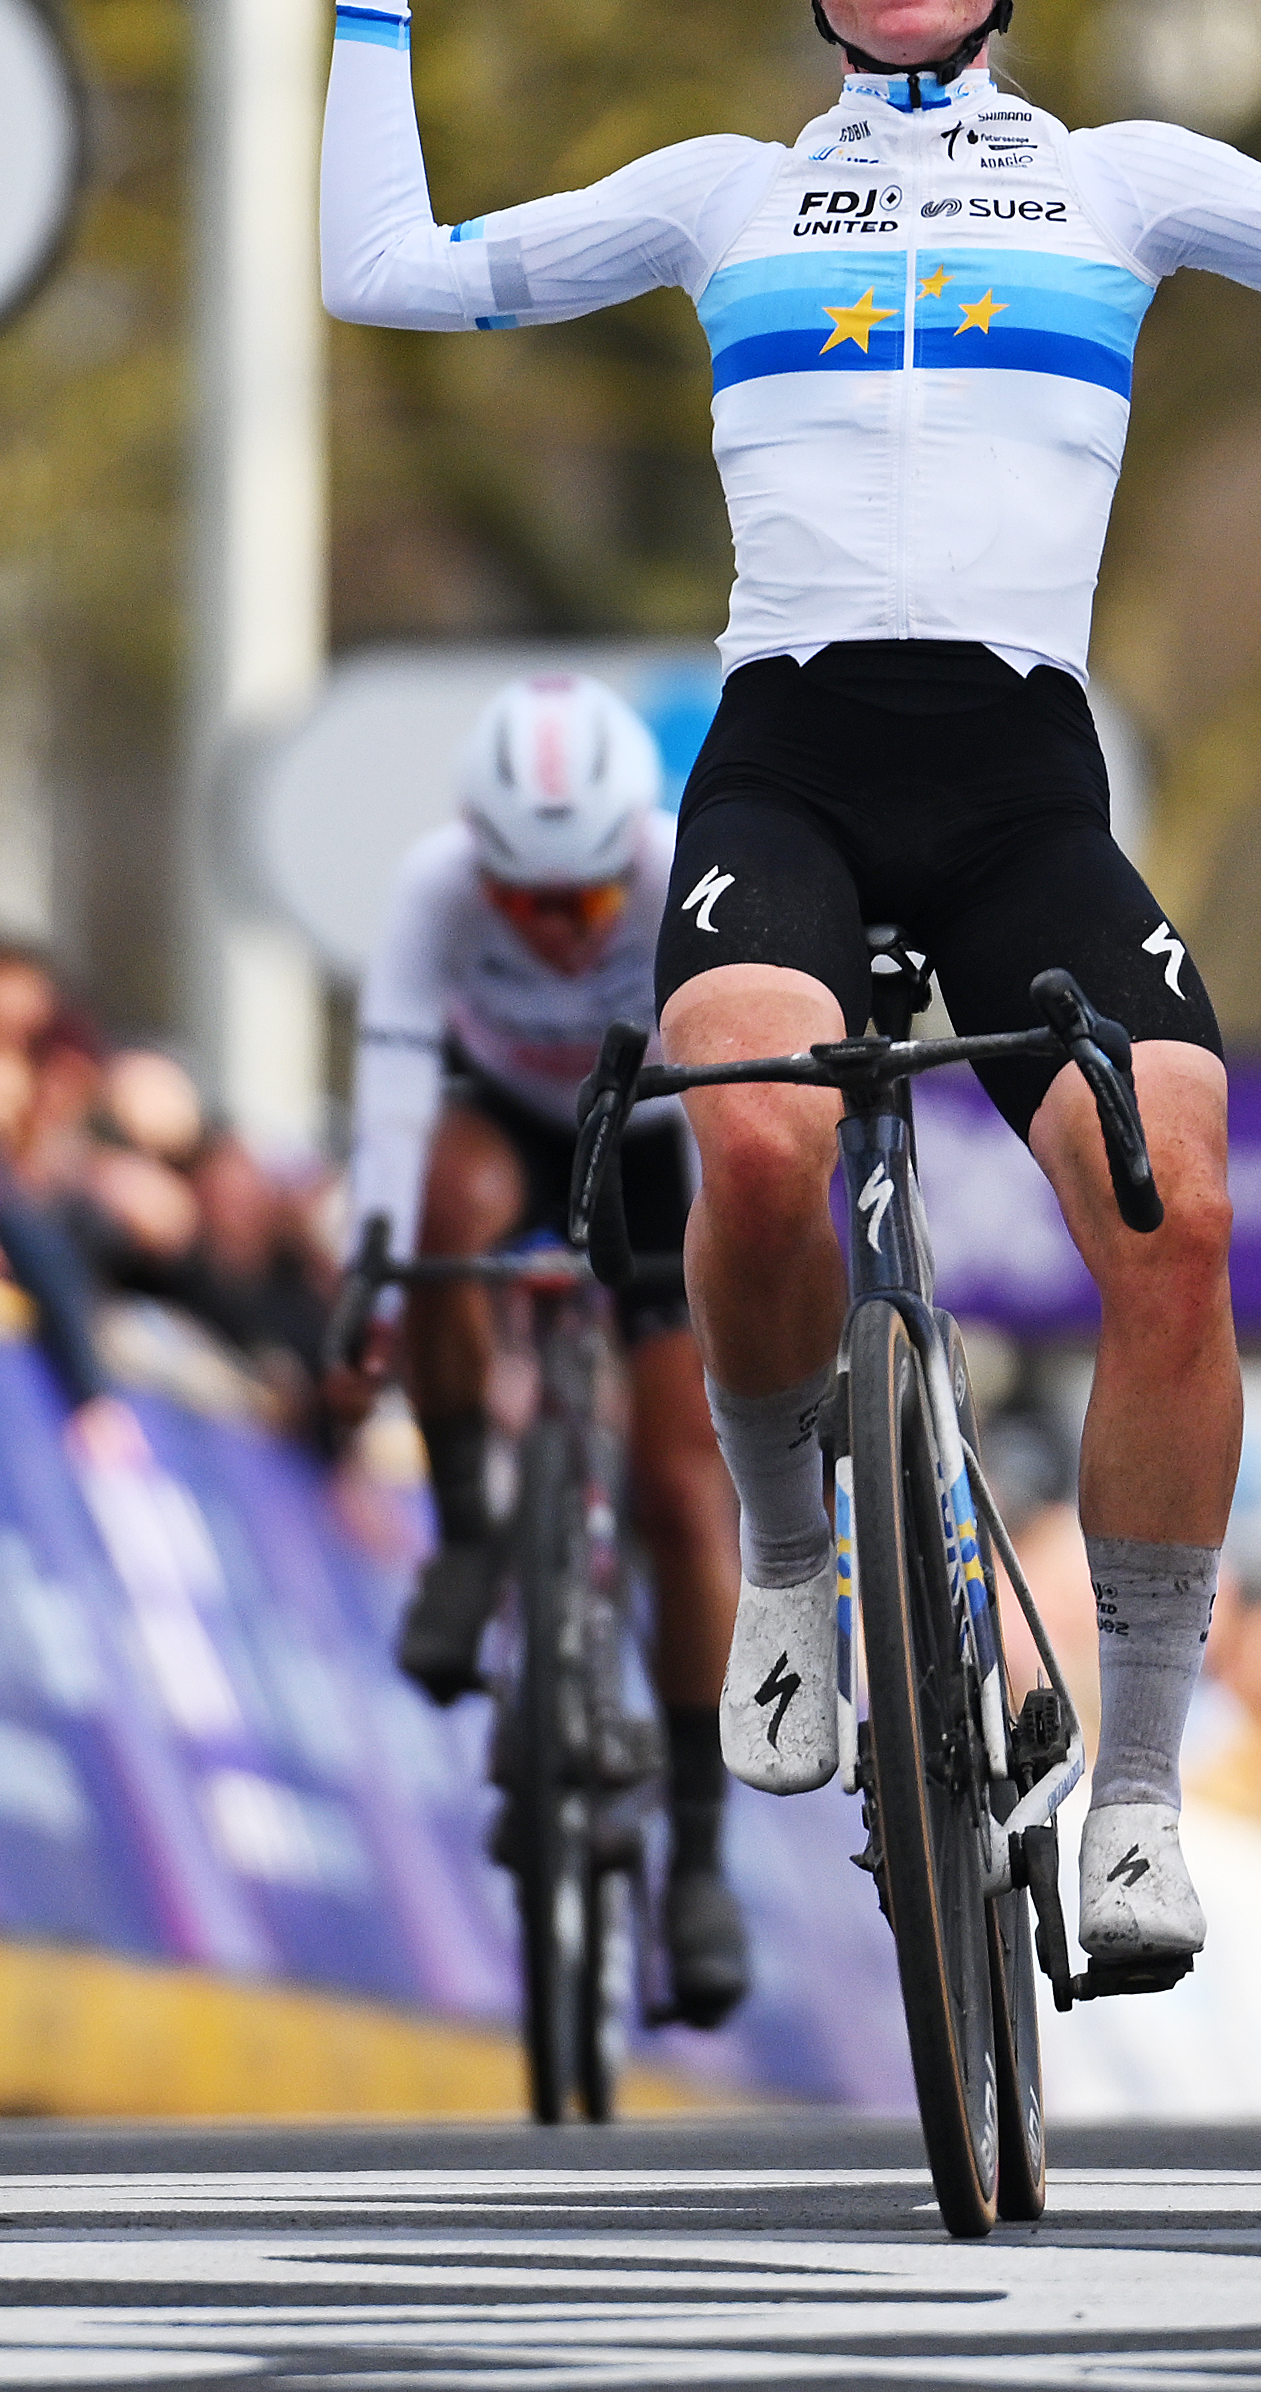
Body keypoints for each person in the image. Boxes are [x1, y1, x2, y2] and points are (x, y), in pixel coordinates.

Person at [318, 0, 1261, 1981]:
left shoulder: (1125, 181)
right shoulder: (719, 193)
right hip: (788, 760)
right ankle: (795, 1571)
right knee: (753, 1139)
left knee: (1177, 1213)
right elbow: (381, 275)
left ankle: (1129, 1796)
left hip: (1018, 781)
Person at [340, 672, 744, 2025]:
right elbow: (394, 1086)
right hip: (504, 1120)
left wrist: (708, 1296)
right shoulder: (435, 885)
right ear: (481, 857)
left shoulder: (687, 870)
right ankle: (465, 1530)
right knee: (439, 1217)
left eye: (583, 901)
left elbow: (726, 1116)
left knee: (685, 1490)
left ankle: (697, 1855)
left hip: (654, 1135)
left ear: (629, 847)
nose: (559, 929)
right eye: (524, 900)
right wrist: (372, 1265)